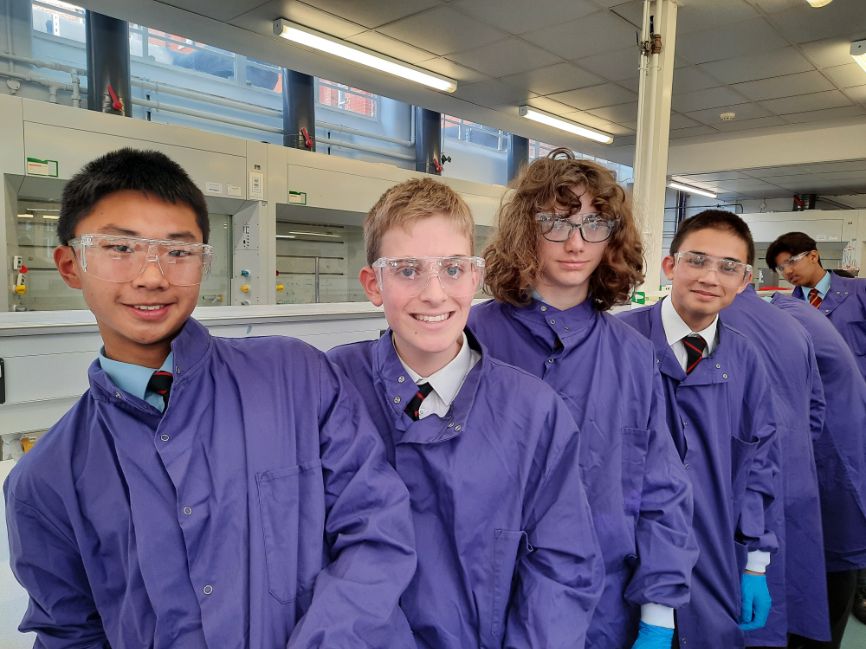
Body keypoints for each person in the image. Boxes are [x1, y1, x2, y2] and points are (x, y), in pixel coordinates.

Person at [3, 148, 418, 648]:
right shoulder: (46, 481)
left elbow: (377, 528)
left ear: (203, 261)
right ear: (71, 264)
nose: (152, 276)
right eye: (120, 247)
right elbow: (70, 634)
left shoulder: (296, 378)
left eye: (178, 251)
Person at [327, 177, 605, 648]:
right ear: (374, 284)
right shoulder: (330, 388)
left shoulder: (534, 411)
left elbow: (562, 565)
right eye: (408, 269)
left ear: (475, 277)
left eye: (453, 268)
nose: (435, 293)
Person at [469, 149, 697, 649]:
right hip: (481, 601)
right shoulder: (469, 339)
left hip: (601, 606)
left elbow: (661, 486)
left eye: (595, 223)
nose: (576, 242)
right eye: (557, 221)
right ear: (526, 229)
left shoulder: (634, 356)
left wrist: (659, 611)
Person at [619, 210, 779, 649]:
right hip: (621, 559)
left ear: (745, 282)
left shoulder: (746, 360)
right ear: (670, 266)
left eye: (729, 267)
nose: (711, 277)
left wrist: (756, 564)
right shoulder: (617, 344)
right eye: (697, 260)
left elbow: (760, 464)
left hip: (711, 561)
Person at [723, 283, 830, 648]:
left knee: (742, 606)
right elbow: (816, 409)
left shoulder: (712, 323)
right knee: (784, 597)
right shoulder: (794, 323)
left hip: (744, 485)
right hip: (795, 474)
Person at [771, 293, 866, 649]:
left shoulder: (775, 323)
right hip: (837, 440)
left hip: (833, 451)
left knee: (833, 554)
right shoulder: (790, 310)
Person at [766, 231, 866, 381]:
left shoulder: (860, 291)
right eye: (781, 268)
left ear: (813, 256)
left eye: (792, 261)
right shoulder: (786, 312)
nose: (787, 271)